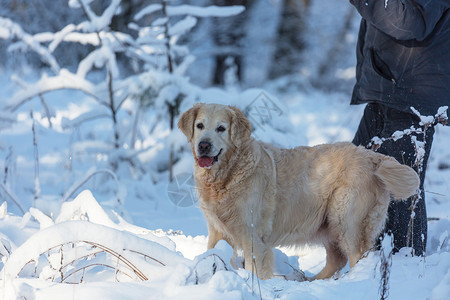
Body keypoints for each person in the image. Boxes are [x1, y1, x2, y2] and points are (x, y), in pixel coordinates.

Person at [349, 0, 450, 256]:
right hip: (390, 87)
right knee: (356, 177)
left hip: (411, 94)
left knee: (400, 191)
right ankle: (369, 263)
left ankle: (403, 270)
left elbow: (408, 23)